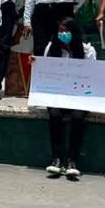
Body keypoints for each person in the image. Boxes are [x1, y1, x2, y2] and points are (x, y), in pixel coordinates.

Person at [37, 17, 96, 180]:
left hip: (79, 97)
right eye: (60, 31)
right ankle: (56, 159)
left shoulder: (87, 51)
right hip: (57, 95)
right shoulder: (52, 47)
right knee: (55, 115)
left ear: (74, 32)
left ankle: (72, 161)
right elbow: (46, 71)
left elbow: (92, 75)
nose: (63, 34)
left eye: (66, 31)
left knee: (78, 118)